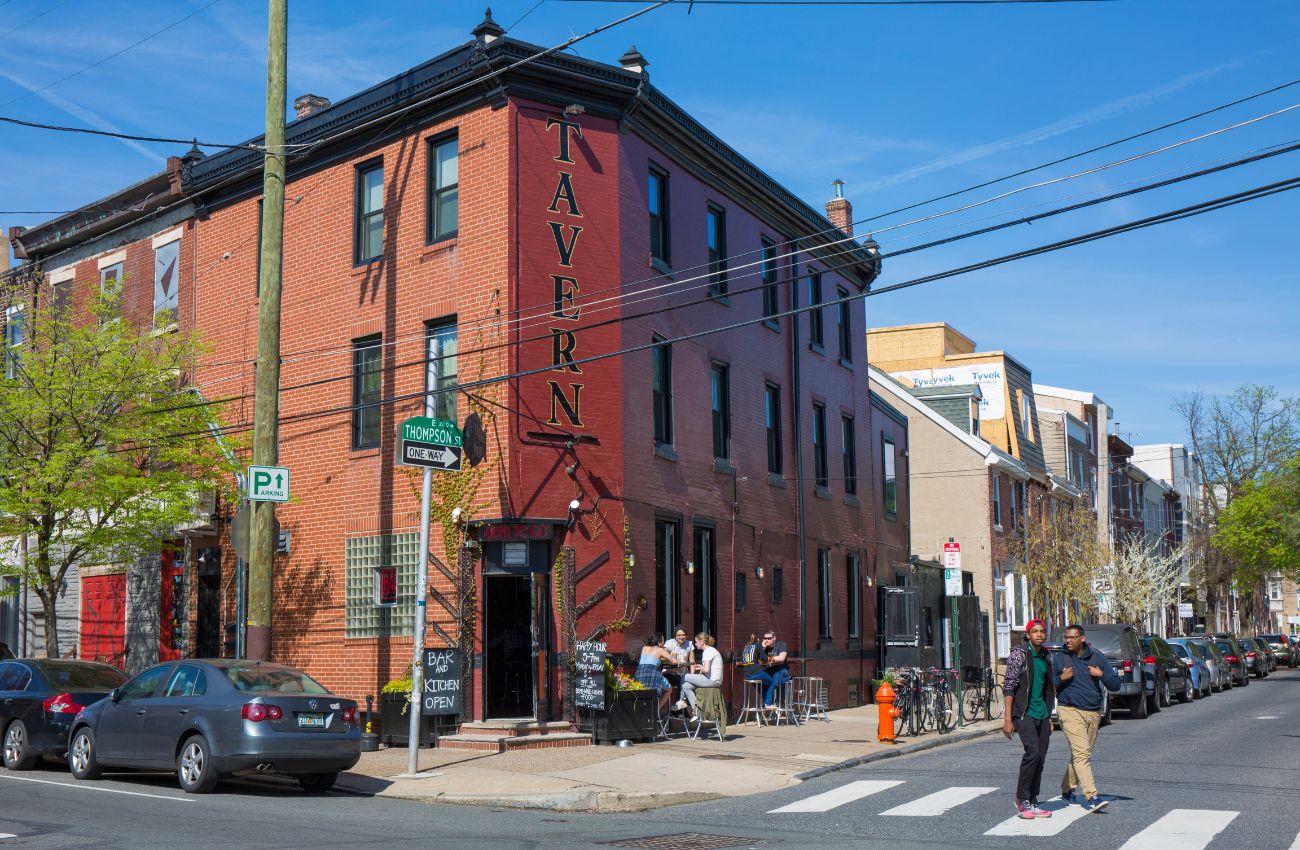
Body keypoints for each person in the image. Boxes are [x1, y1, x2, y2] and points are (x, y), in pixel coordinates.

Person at [1053, 623, 1121, 812]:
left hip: (1093, 713)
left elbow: (1116, 684)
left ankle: (1067, 789)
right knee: (1082, 754)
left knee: (1080, 754)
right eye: (1066, 637)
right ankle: (1092, 796)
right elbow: (1048, 686)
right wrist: (1061, 679)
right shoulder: (1059, 659)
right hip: (1069, 710)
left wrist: (1101, 675)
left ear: (1082, 638)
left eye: (1071, 637)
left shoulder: (1097, 657)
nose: (1067, 641)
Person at [1002, 618, 1056, 820]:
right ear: (1028, 635)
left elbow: (1046, 688)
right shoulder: (1020, 655)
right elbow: (1009, 687)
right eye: (1035, 632)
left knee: (1040, 757)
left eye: (1042, 631)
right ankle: (1021, 798)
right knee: (1032, 752)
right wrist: (1008, 719)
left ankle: (1033, 799)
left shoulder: (1046, 655)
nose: (1039, 635)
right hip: (1023, 713)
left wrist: (1049, 716)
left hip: (1042, 713)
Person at [678, 632, 723, 714]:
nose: (695, 644)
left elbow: (705, 670)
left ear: (702, 641)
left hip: (712, 681)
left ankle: (682, 701)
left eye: (696, 642)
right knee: (686, 686)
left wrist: (701, 669)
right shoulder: (711, 650)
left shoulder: (707, 651)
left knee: (684, 676)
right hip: (713, 680)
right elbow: (707, 670)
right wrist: (701, 668)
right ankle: (696, 710)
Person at [745, 631, 790, 708]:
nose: (766, 640)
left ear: (774, 638)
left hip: (779, 669)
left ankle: (779, 701)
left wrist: (768, 661)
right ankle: (767, 701)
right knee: (759, 682)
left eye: (769, 638)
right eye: (765, 638)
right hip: (767, 669)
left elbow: (782, 658)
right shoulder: (762, 647)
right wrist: (762, 648)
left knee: (778, 677)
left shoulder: (781, 644)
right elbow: (757, 661)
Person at [635, 633, 675, 714]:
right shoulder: (660, 650)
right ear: (659, 643)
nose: (664, 643)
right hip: (652, 674)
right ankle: (656, 710)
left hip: (640, 674)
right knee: (669, 689)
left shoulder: (644, 648)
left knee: (644, 692)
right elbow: (674, 661)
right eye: (663, 641)